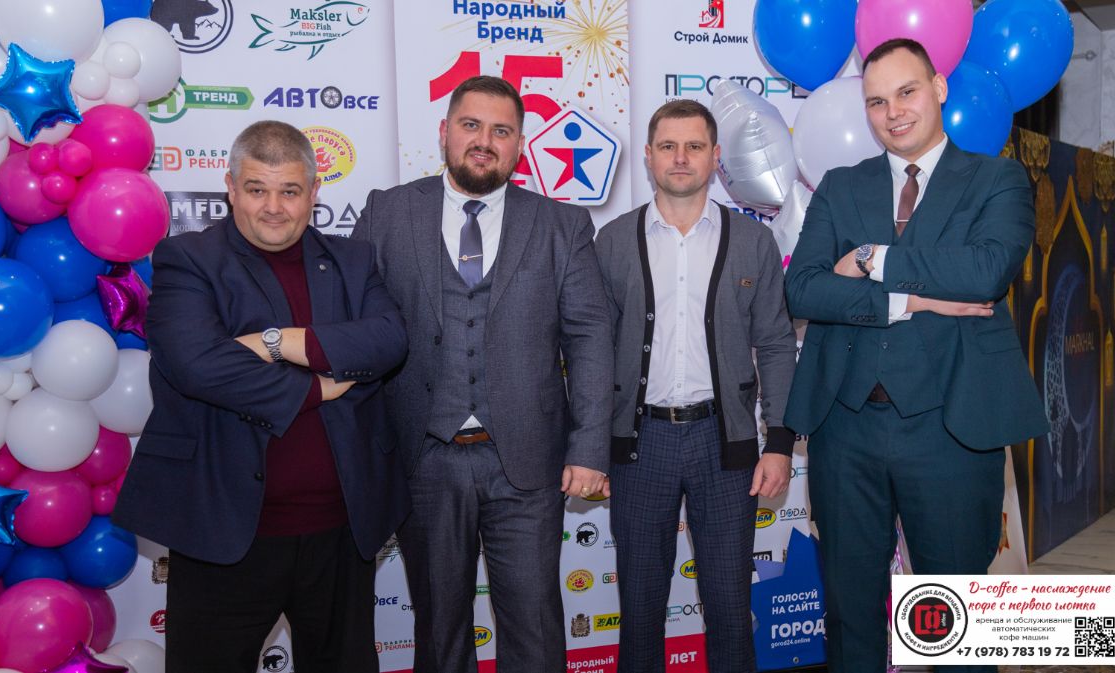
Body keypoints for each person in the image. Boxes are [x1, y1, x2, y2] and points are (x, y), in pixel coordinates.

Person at [783, 39, 1049, 673]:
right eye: (877, 101)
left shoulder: (997, 179)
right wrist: (912, 300)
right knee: (849, 611)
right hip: (844, 426)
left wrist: (871, 259)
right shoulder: (841, 186)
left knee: (954, 619)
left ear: (939, 88)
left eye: (906, 92)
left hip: (952, 427)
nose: (893, 112)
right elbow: (803, 288)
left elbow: (984, 272)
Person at [113, 120, 410, 672]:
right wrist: (316, 386)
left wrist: (277, 342)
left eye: (290, 191)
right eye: (256, 189)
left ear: (314, 193)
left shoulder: (354, 260)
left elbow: (388, 341)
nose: (273, 208)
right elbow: (198, 365)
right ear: (231, 187)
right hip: (224, 531)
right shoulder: (187, 258)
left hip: (339, 532)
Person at [351, 75, 612, 673]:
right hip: (424, 458)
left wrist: (589, 447)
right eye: (471, 125)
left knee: (535, 629)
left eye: (501, 131)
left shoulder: (563, 224)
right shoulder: (388, 211)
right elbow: (355, 327)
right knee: (439, 631)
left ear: (518, 144)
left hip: (528, 462)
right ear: (445, 131)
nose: (484, 142)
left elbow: (591, 340)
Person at [595, 99, 796, 673]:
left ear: (714, 157)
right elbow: (590, 352)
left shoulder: (753, 241)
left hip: (725, 444)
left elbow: (777, 344)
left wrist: (779, 442)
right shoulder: (612, 241)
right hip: (640, 445)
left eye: (694, 146)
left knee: (730, 607)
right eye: (668, 146)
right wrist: (590, 446)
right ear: (649, 156)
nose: (680, 158)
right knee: (639, 609)